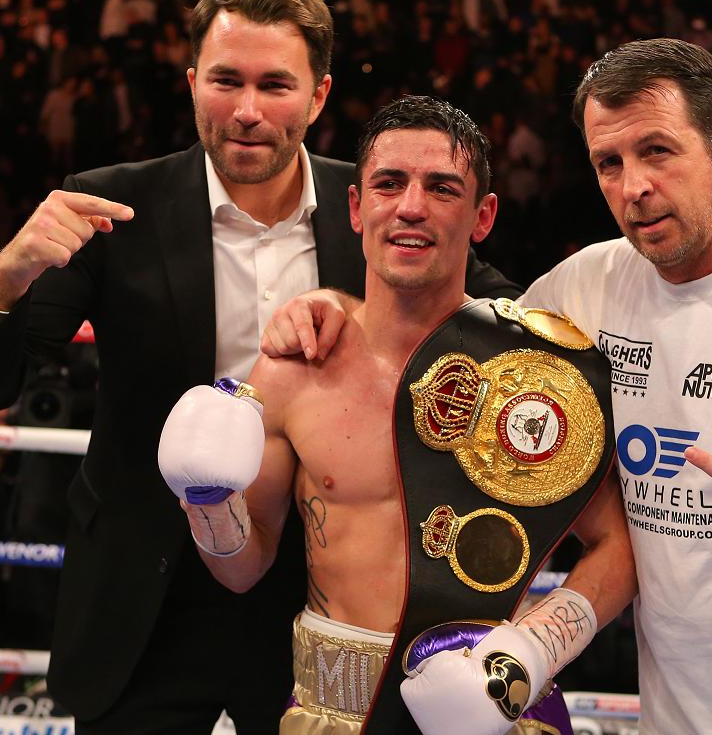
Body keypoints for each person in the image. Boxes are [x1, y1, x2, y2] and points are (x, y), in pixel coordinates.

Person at [263, 38, 712, 733]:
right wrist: (330, 308)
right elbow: (435, 304)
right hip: (677, 717)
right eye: (608, 163)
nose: (635, 186)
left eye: (657, 152)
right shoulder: (585, 290)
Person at [0, 0, 516, 734]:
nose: (246, 111)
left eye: (276, 84)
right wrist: (5, 280)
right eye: (225, 81)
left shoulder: (375, 204)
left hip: (315, 599)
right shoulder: (115, 209)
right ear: (192, 83)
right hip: (148, 594)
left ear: (317, 96)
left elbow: (507, 319)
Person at [157, 96, 635, 734]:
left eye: (442, 188)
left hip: (490, 710)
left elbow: (619, 545)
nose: (412, 206)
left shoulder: (531, 371)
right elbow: (244, 569)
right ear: (356, 207)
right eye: (389, 184)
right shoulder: (295, 367)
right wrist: (208, 502)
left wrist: (528, 653)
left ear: (482, 215)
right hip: (331, 710)